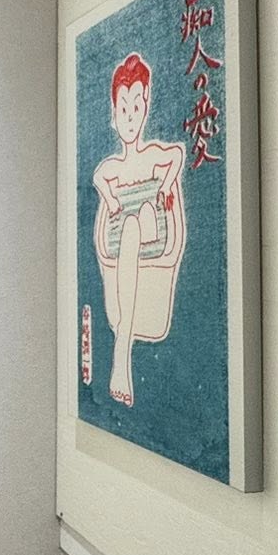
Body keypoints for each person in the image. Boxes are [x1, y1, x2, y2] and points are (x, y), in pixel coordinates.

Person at [90, 52, 187, 408]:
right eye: (123, 109)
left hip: (151, 235)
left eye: (136, 107)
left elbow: (177, 156)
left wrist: (166, 184)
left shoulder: (152, 155)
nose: (130, 117)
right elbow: (98, 178)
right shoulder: (114, 166)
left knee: (140, 216)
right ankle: (123, 347)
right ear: (114, 116)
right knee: (130, 224)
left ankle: (122, 350)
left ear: (145, 109)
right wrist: (111, 199)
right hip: (123, 240)